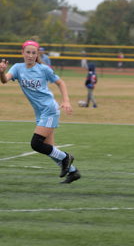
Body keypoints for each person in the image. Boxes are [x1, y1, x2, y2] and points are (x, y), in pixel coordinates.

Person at [0, 40, 81, 183]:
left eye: (33, 53)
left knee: (36, 144)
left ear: (37, 54)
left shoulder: (43, 69)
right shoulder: (17, 68)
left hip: (50, 110)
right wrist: (1, 72)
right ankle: (73, 172)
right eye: (28, 52)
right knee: (49, 149)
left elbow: (61, 83)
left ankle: (66, 157)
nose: (30, 55)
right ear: (22, 53)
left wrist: (66, 101)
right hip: (40, 113)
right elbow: (4, 80)